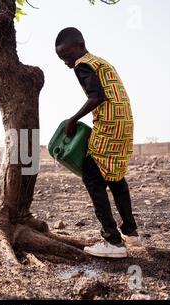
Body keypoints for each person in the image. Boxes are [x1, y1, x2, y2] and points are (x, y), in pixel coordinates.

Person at [55, 27, 142, 258]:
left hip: (108, 127)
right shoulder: (102, 62)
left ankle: (113, 241)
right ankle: (131, 233)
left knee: (92, 177)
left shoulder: (83, 64)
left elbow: (96, 96)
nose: (66, 63)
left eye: (67, 56)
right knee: (114, 177)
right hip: (124, 124)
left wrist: (72, 120)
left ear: (80, 46)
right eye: (62, 59)